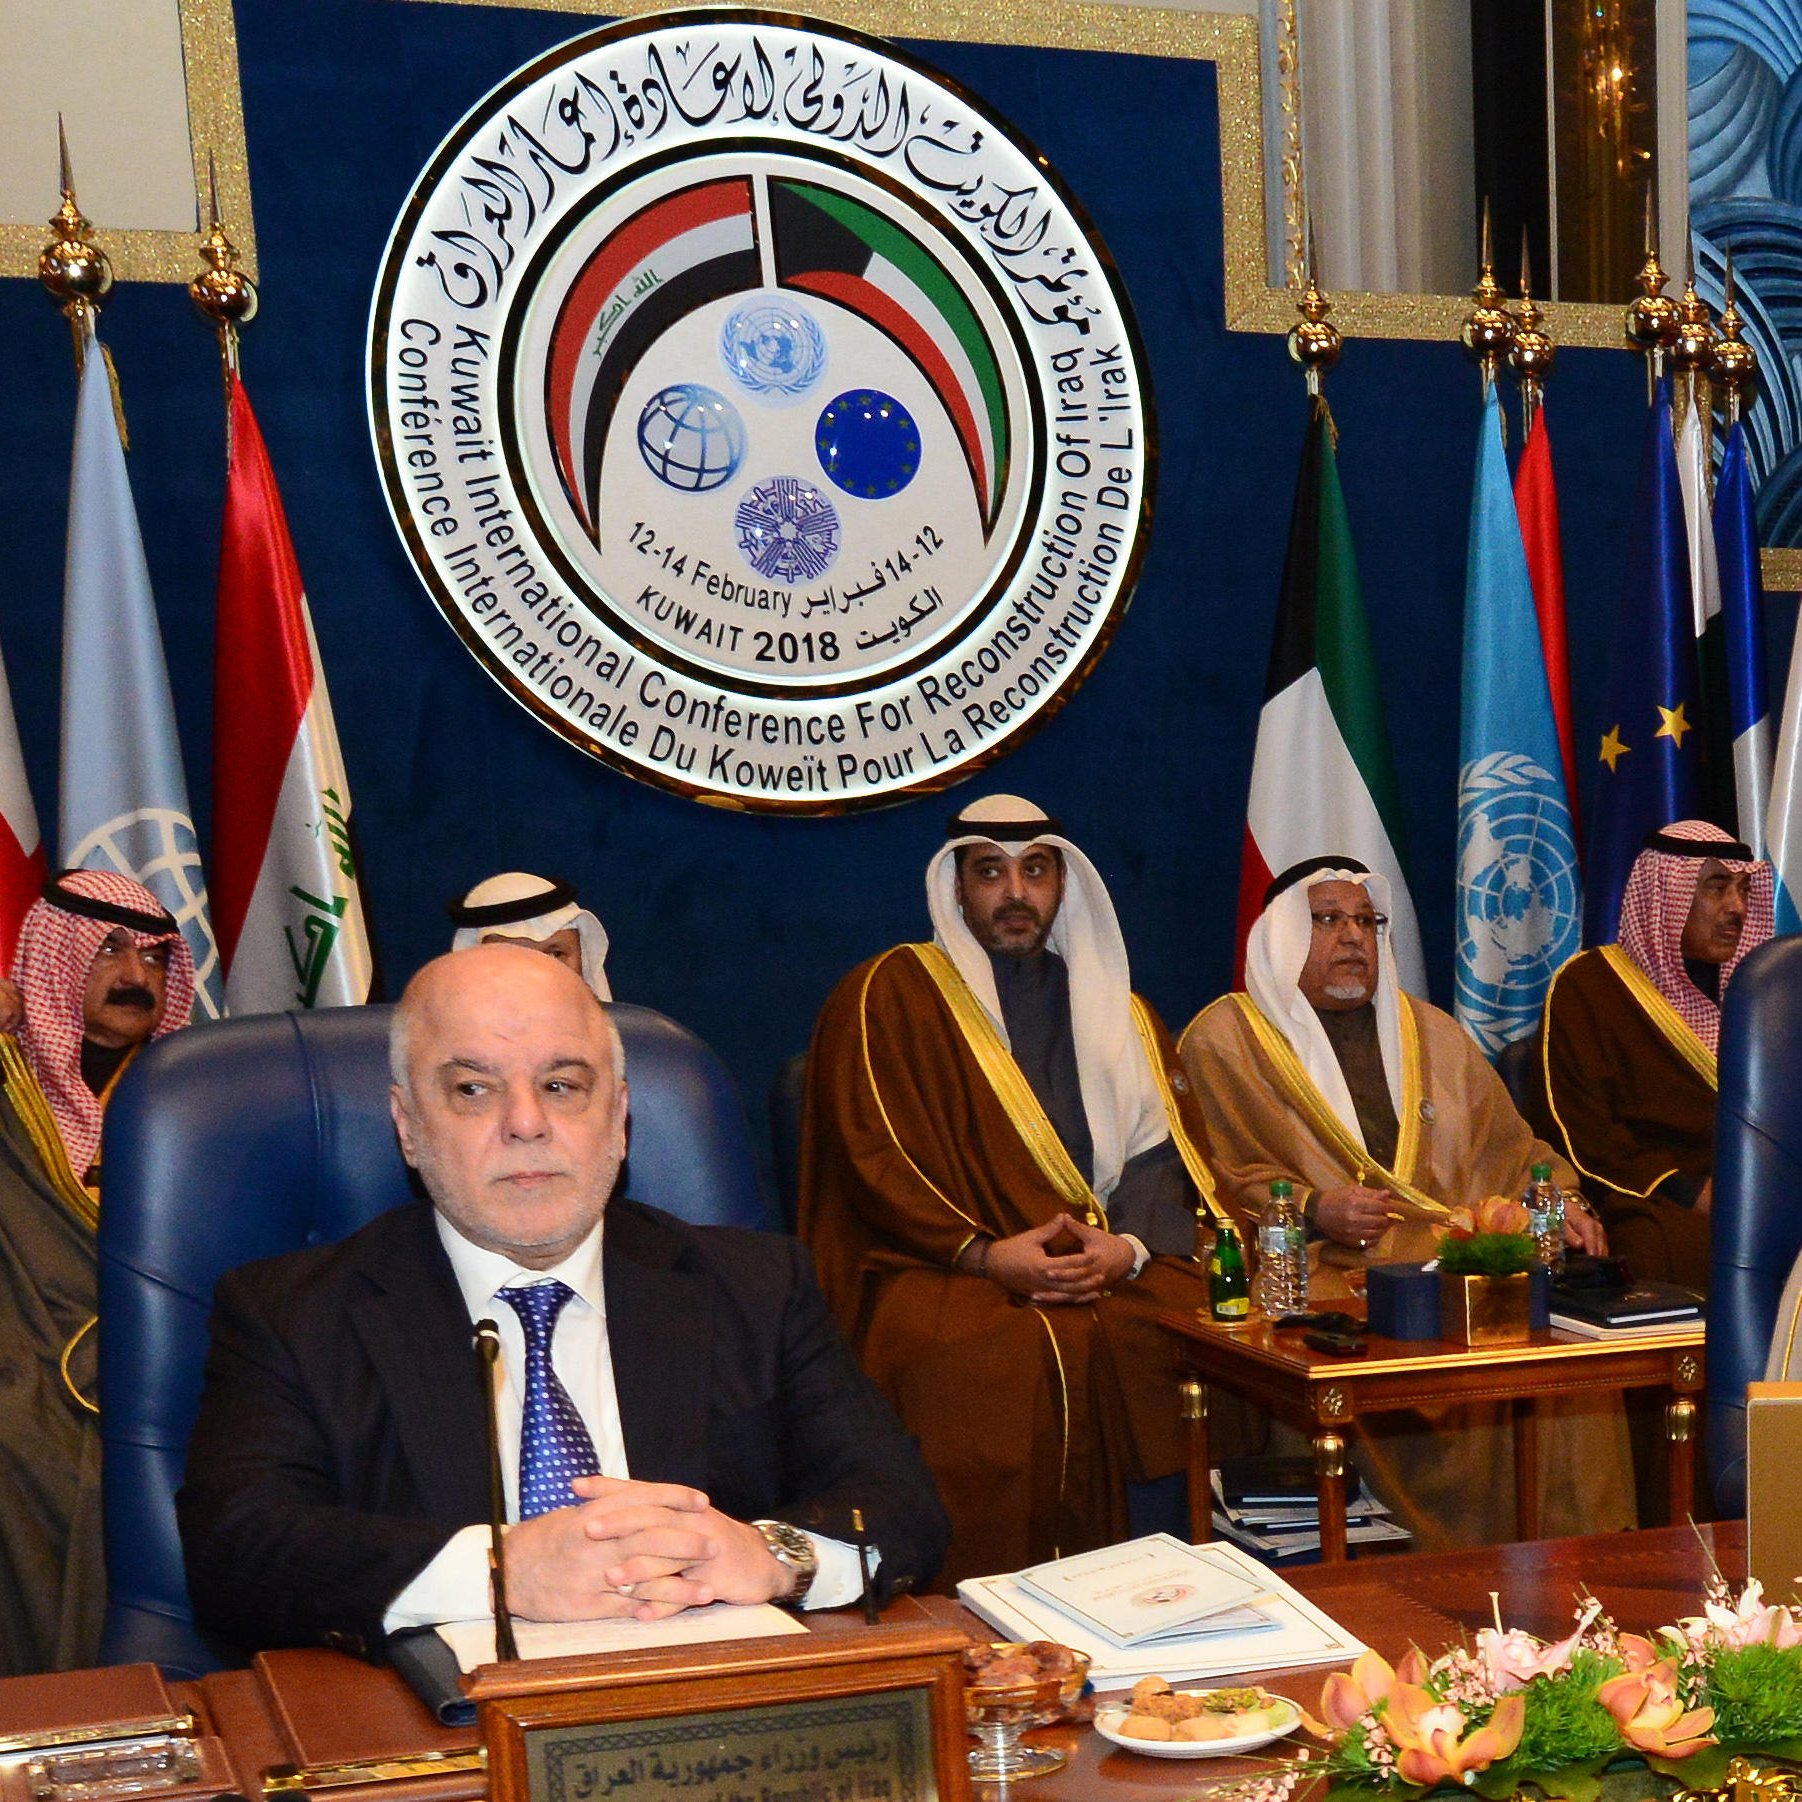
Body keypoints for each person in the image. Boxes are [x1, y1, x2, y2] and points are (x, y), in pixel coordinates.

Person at [178, 944, 946, 1658]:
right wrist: (500, 1569)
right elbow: (238, 1553)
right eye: (473, 1089)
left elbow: (900, 1506)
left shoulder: (758, 1285)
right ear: (408, 1126)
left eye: (560, 1085)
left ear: (618, 1117)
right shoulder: (290, 1315)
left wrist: (772, 1557)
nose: (525, 1124)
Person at [798, 794, 1230, 1586]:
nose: (1014, 893)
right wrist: (986, 1255)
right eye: (989, 871)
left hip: (1102, 1265)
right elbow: (870, 1153)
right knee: (994, 1355)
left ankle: (1170, 1592)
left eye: (1035, 870)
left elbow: (1165, 1158)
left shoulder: (1121, 1011)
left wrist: (1128, 1247)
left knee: (1192, 1335)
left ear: (1063, 885)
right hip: (942, 1268)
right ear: (956, 888)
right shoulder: (889, 995)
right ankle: (974, 1611)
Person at [1179, 855, 1630, 1548]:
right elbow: (1215, 1177)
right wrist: (1312, 1209)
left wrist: (1565, 1200)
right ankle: (1405, 1574)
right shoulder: (1225, 1039)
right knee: (1358, 1354)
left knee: (1572, 1367)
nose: (1354, 937)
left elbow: (1511, 1149)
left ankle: (1574, 1570)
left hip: (1452, 1266)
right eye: (1328, 919)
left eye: (1366, 920)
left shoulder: (1433, 1033)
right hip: (1322, 1274)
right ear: (1282, 936)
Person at [0, 869, 195, 1675]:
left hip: (169, 1366)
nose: (134, 976)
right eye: (109, 949)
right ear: (52, 961)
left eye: (153, 958)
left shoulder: (192, 1097)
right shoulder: (11, 1087)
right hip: (21, 1362)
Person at [1526, 821, 1775, 1288]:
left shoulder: (1762, 992)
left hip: (1764, 1188)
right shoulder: (1590, 986)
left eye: (1742, 889)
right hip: (1649, 1195)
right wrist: (1691, 1191)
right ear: (1665, 896)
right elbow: (1581, 1132)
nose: (1738, 908)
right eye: (1717, 888)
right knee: (1669, 1248)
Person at [449, 872, 612, 998]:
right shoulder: (448, 1041)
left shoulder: (624, 1037)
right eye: (516, 959)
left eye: (556, 954)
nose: (541, 974)